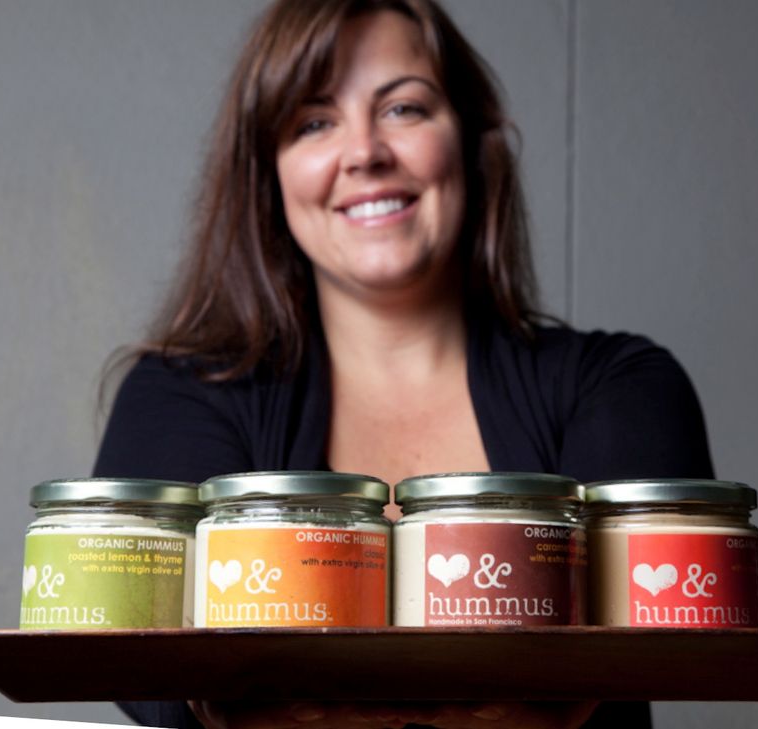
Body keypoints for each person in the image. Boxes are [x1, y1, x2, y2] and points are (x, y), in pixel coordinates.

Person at [94, 0, 713, 727]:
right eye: (314, 122)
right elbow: (153, 684)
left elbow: (632, 662)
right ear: (268, 173)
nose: (364, 152)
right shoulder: (180, 394)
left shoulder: (622, 385)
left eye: (403, 109)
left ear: (471, 141)